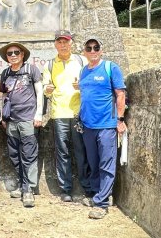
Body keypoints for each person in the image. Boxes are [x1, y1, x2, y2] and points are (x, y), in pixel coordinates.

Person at [75, 37, 127, 220]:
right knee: (93, 162)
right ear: (84, 52)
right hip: (88, 125)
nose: (92, 51)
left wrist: (120, 120)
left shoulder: (110, 67)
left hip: (106, 124)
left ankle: (102, 203)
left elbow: (120, 95)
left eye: (96, 47)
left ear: (101, 50)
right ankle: (99, 194)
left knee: (106, 163)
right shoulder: (83, 71)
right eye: (89, 48)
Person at [42, 30, 92, 202]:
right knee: (62, 152)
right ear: (55, 44)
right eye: (59, 42)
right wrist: (47, 90)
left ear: (71, 43)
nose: (63, 45)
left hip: (79, 112)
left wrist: (82, 85)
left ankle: (87, 187)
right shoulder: (49, 65)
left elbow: (90, 82)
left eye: (66, 42)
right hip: (59, 114)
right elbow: (46, 89)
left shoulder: (82, 61)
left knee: (81, 151)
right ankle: (66, 189)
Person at [0, 42, 43, 208]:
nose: (13, 55)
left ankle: (28, 189)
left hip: (28, 119)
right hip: (11, 120)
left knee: (29, 154)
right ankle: (22, 183)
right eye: (10, 53)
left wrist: (38, 114)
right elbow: (3, 96)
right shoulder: (5, 73)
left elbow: (40, 93)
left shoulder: (31, 70)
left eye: (16, 52)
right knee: (14, 154)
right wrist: (3, 116)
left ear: (23, 54)